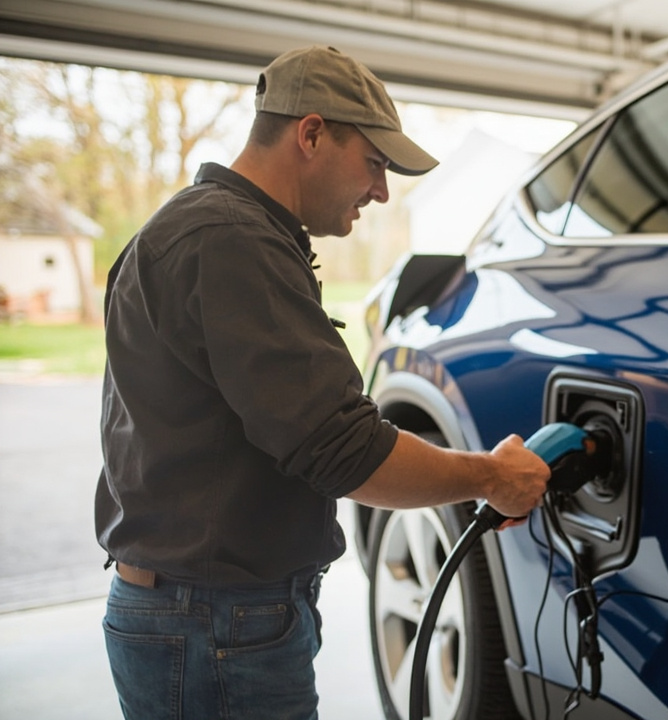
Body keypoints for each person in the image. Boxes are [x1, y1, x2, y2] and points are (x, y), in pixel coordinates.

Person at [95, 45, 550, 720]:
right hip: (215, 627)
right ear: (311, 134)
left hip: (199, 615)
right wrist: (490, 477)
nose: (382, 190)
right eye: (374, 162)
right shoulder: (229, 240)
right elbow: (346, 451)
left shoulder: (196, 230)